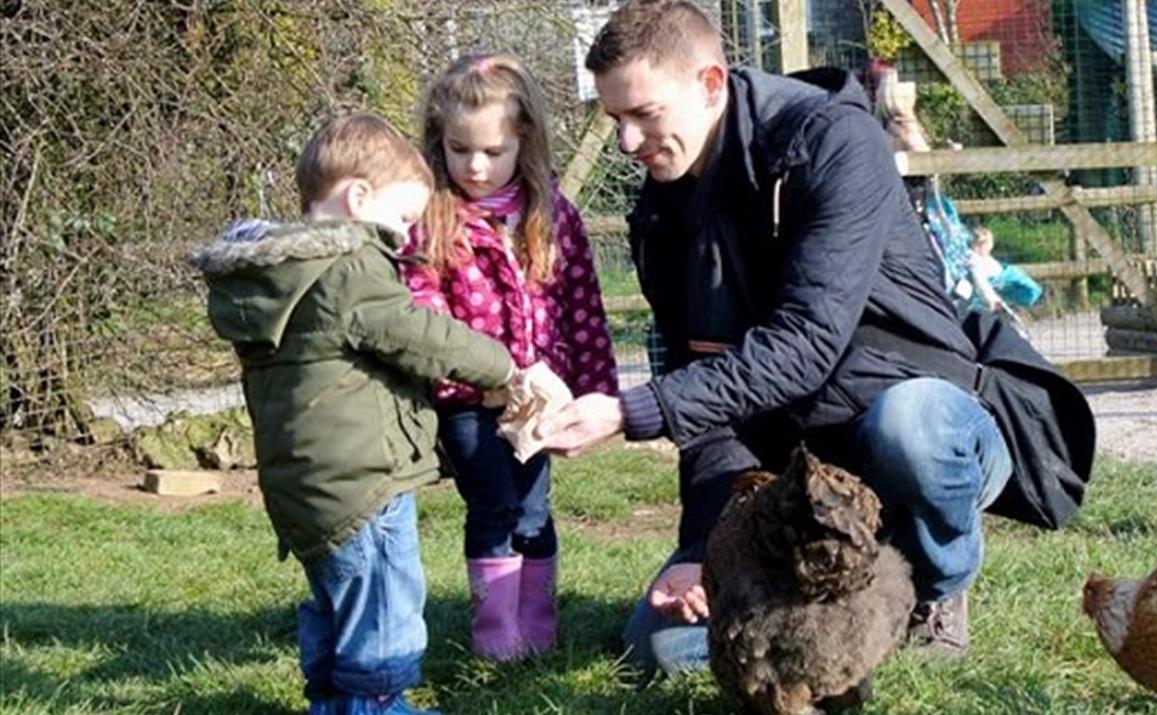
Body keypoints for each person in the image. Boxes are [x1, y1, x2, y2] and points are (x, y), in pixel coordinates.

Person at [539, 0, 1093, 678]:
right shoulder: (662, 212)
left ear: (710, 83)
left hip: (919, 418)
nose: (627, 142)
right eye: (614, 120)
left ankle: (937, 586)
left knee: (910, 427)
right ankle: (853, 592)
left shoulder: (834, 142)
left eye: (643, 115)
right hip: (804, 480)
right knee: (667, 650)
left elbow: (806, 341)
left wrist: (631, 410)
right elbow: (708, 400)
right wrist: (700, 551)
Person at [192, 114, 528, 715]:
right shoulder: (349, 267)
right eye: (401, 219)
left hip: (303, 489)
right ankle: (374, 703)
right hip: (363, 488)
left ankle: (331, 701)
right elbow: (423, 336)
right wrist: (503, 367)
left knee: (334, 601)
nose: (403, 237)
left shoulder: (278, 276)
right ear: (359, 197)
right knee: (384, 605)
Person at [403, 53, 619, 661]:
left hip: (537, 397)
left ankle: (537, 629)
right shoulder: (432, 217)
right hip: (467, 399)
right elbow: (421, 308)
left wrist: (595, 386)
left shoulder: (551, 213)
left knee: (533, 507)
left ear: (522, 141)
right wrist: (453, 370)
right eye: (458, 149)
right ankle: (496, 638)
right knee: (493, 502)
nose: (474, 166)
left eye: (492, 152)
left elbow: (582, 304)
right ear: (437, 142)